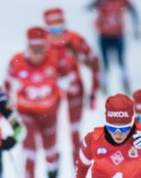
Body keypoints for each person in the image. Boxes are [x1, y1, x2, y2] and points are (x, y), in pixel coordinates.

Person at [5, 27, 69, 178]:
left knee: (51, 153)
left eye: (41, 50)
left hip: (48, 115)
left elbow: (67, 82)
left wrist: (57, 100)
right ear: (28, 47)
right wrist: (11, 114)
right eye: (34, 50)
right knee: (30, 155)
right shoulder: (17, 61)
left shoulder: (55, 58)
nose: (38, 55)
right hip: (26, 114)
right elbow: (6, 87)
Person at [43, 7, 101, 165]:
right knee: (51, 131)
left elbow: (95, 62)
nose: (56, 33)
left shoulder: (75, 40)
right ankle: (53, 169)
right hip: (52, 94)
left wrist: (94, 92)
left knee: (75, 131)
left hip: (75, 90)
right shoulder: (42, 43)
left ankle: (78, 168)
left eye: (60, 27)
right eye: (52, 29)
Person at [87, 0, 140, 94]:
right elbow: (89, 8)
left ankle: (125, 82)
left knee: (121, 60)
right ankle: (104, 84)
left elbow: (133, 11)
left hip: (118, 35)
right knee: (105, 62)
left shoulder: (122, 2)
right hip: (104, 36)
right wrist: (96, 5)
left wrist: (136, 27)